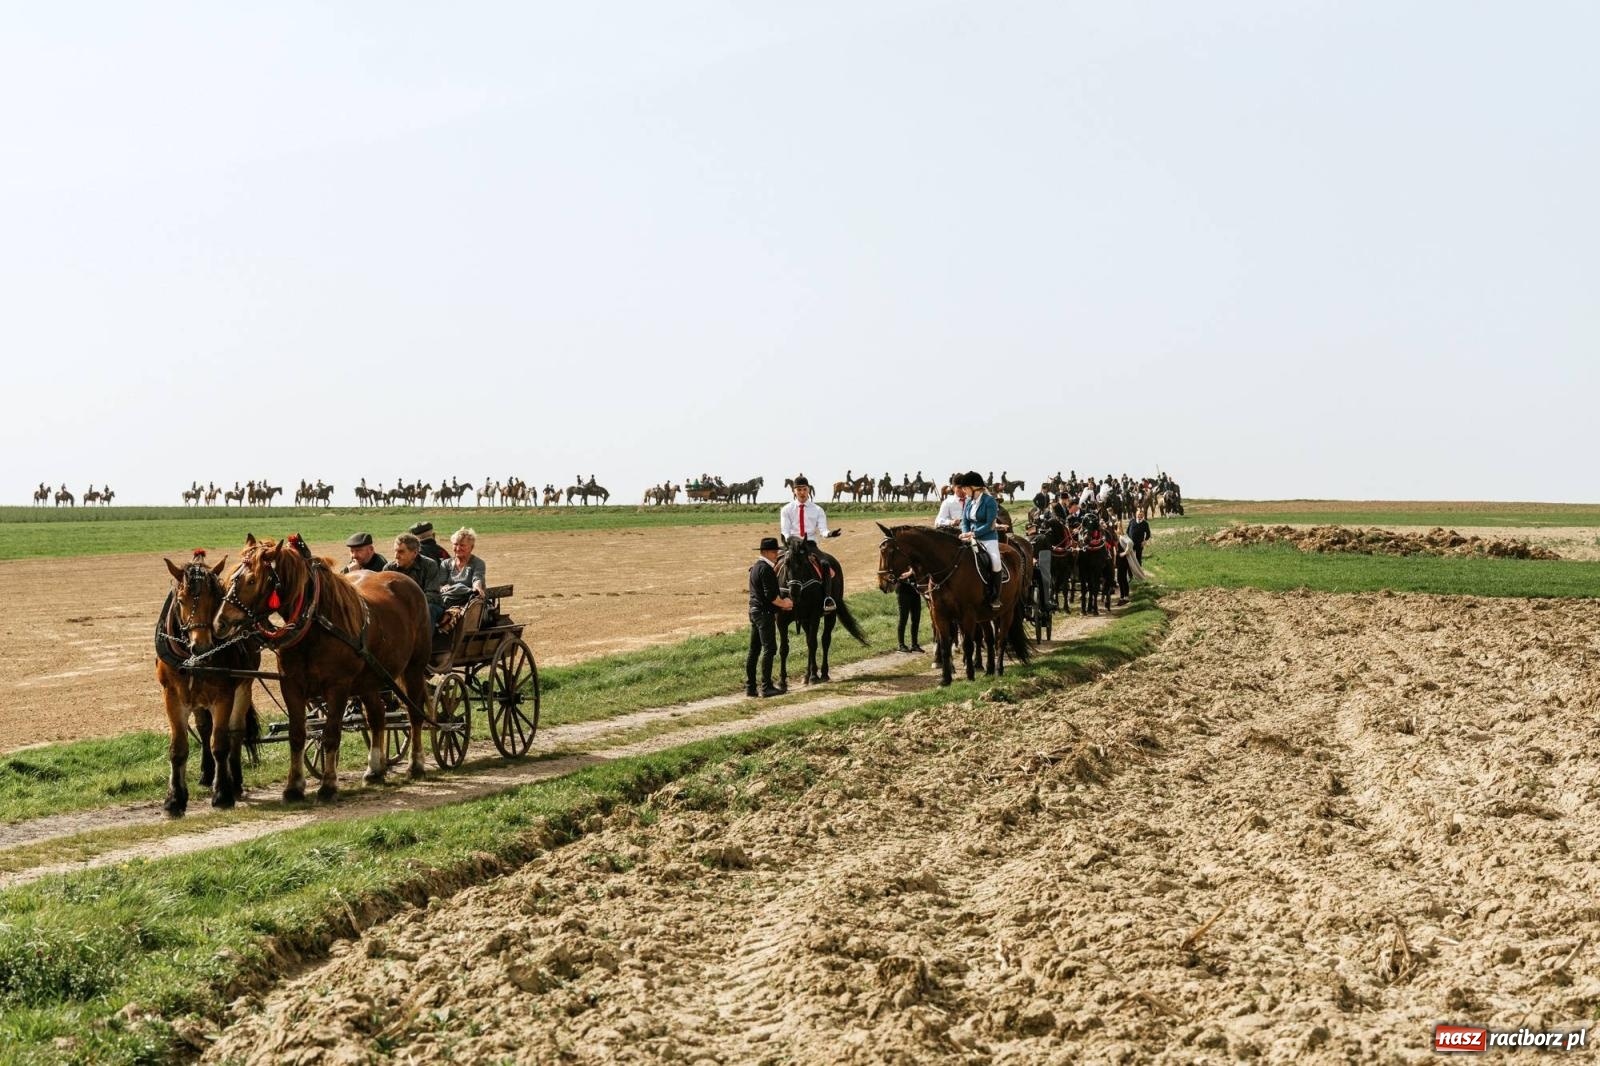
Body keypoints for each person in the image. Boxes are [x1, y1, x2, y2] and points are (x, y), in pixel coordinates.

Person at [778, 477, 842, 611]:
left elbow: (823, 530)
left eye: (804, 489)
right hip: (792, 545)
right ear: (794, 491)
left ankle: (827, 598)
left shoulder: (818, 510)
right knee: (773, 564)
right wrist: (793, 542)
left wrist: (830, 534)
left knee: (825, 564)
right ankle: (771, 598)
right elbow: (785, 531)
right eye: (799, 490)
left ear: (809, 490)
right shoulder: (786, 509)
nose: (802, 492)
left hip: (810, 546)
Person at [747, 537, 793, 697]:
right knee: (770, 649)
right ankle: (766, 687)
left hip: (754, 611)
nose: (777, 554)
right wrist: (785, 604)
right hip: (764, 613)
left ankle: (751, 687)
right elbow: (771, 596)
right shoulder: (766, 569)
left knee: (754, 650)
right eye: (774, 551)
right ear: (765, 552)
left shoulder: (755, 568)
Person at [957, 471, 1004, 608]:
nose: (964, 492)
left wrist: (973, 534)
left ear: (974, 487)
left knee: (995, 561)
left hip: (988, 539)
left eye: (965, 488)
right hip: (970, 538)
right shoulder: (969, 503)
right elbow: (964, 521)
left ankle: (995, 596)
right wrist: (966, 533)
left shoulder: (990, 501)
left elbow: (990, 524)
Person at [385, 533, 447, 626]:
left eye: (401, 552)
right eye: (395, 551)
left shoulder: (429, 565)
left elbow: (432, 594)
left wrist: (409, 605)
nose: (396, 556)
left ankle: (425, 640)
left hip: (427, 606)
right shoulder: (389, 569)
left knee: (428, 610)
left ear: (414, 553)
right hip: (399, 607)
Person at [439, 527, 488, 605]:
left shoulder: (478, 563)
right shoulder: (445, 563)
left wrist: (477, 587)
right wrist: (443, 587)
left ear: (471, 547)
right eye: (455, 544)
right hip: (448, 599)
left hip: (470, 601)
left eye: (462, 545)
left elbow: (477, 579)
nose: (458, 548)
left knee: (459, 587)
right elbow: (440, 584)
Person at [894, 567, 924, 652]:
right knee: (903, 618)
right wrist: (910, 572)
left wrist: (911, 572)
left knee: (916, 619)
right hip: (903, 591)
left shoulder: (913, 560)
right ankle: (901, 645)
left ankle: (914, 644)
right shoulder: (900, 561)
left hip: (915, 590)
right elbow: (899, 575)